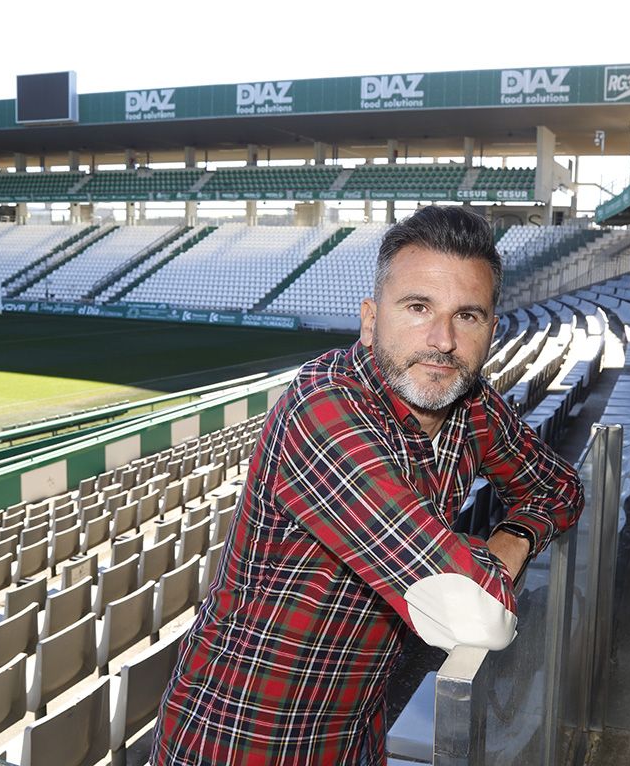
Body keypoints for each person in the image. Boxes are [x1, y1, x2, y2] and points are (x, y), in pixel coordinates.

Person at [152, 205, 584, 765]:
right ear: (370, 319)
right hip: (239, 736)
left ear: (491, 330)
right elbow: (471, 615)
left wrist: (513, 539)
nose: (442, 340)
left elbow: (561, 487)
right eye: (417, 307)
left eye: (468, 316)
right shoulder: (323, 410)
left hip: (354, 732)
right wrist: (484, 568)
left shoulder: (470, 403)